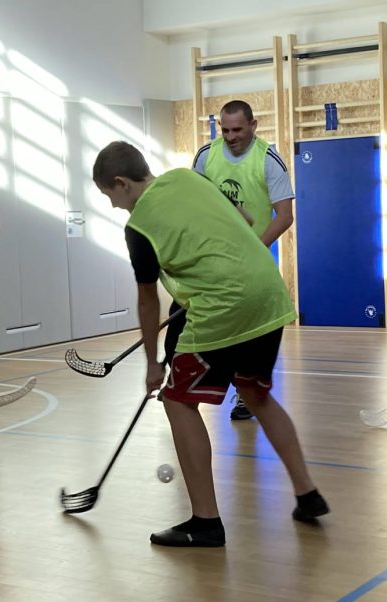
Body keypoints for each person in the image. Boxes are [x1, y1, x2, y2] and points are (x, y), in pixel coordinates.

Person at [92, 141, 329, 548]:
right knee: (255, 393)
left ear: (121, 183)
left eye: (110, 196)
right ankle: (307, 494)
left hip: (225, 305)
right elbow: (245, 216)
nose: (114, 206)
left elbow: (147, 301)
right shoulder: (189, 176)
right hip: (267, 293)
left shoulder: (139, 226)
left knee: (177, 400)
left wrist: (153, 364)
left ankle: (205, 521)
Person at [174, 99, 295, 422]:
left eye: (238, 129)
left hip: (251, 265)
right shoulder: (205, 156)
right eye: (225, 130)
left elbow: (285, 216)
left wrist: (256, 247)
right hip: (213, 260)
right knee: (182, 315)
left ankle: (245, 393)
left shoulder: (269, 159)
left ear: (253, 126)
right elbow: (193, 204)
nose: (230, 136)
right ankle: (180, 384)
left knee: (250, 332)